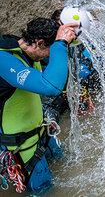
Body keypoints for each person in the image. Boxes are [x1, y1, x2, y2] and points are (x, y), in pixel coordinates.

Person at [0, 18, 77, 193]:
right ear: (39, 43)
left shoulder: (25, 47)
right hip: (20, 146)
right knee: (42, 190)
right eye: (49, 51)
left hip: (42, 131)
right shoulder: (3, 60)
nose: (50, 56)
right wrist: (59, 44)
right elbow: (51, 86)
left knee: (66, 163)